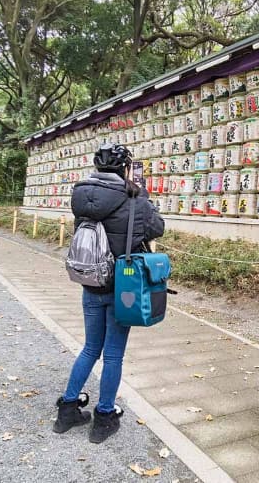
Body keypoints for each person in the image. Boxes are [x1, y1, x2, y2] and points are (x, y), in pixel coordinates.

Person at [54, 143, 164, 444]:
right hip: (122, 288)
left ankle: (68, 409)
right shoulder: (135, 199)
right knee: (113, 354)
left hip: (90, 282)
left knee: (90, 348)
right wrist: (144, 197)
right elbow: (157, 228)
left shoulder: (81, 196)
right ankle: (104, 416)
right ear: (125, 168)